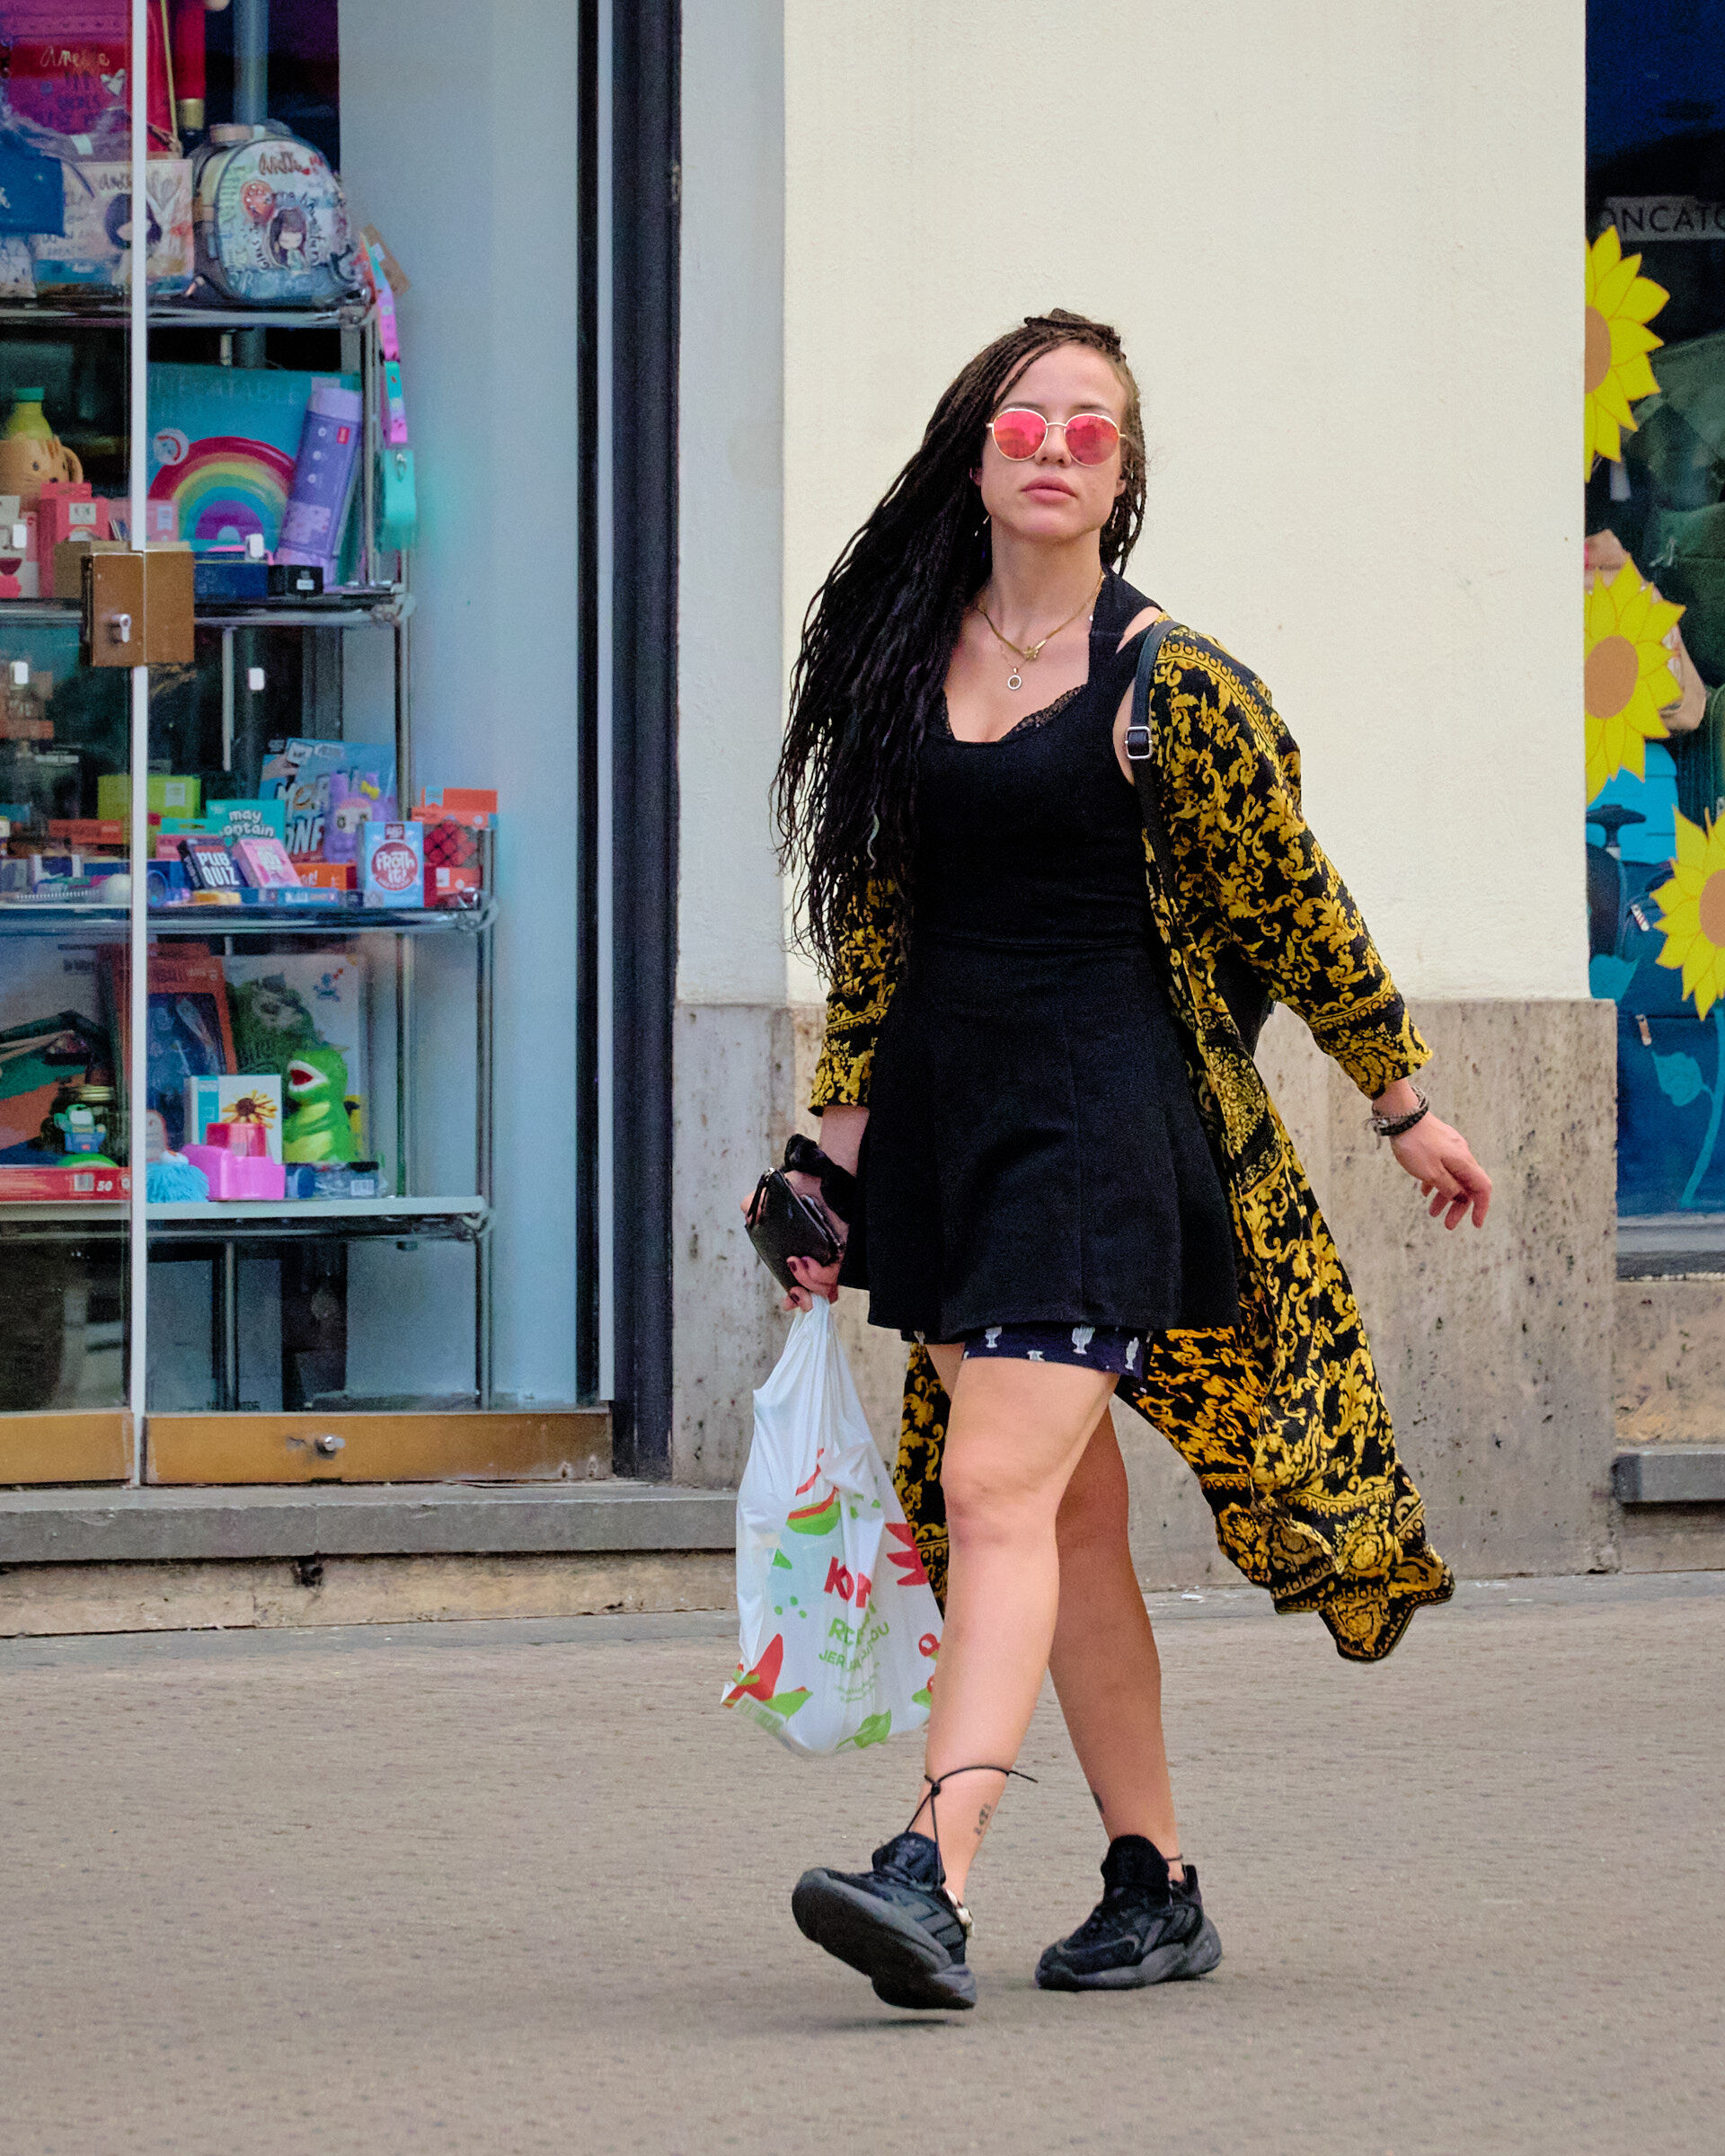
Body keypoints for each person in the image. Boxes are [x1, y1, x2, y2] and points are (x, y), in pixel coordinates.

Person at [759, 308, 1492, 2014]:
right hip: (951, 1134)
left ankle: (931, 1868)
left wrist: (1403, 1103)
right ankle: (1154, 1884)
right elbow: (876, 943)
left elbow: (1300, 907)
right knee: (1067, 1519)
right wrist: (825, 1160)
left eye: (1091, 428)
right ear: (975, 453)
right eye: (1027, 420)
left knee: (991, 1494)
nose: (1055, 448)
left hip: (1102, 1136)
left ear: (1124, 474)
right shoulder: (905, 665)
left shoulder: (1179, 688)